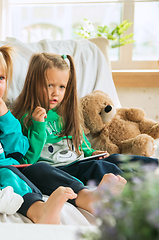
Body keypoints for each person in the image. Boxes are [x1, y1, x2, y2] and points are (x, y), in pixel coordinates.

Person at [0, 46, 126, 224]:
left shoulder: (4, 114)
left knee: (41, 168)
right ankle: (39, 211)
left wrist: (5, 117)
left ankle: (88, 198)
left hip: (14, 166)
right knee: (8, 174)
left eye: (1, 78)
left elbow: (19, 150)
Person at [11, 52, 156, 185]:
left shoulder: (64, 112)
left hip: (80, 160)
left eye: (62, 87)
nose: (56, 93)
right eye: (50, 85)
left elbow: (80, 141)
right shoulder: (25, 117)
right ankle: (137, 185)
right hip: (60, 169)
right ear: (32, 82)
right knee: (97, 167)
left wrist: (91, 152)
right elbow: (29, 160)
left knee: (114, 158)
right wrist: (38, 127)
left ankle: (154, 168)